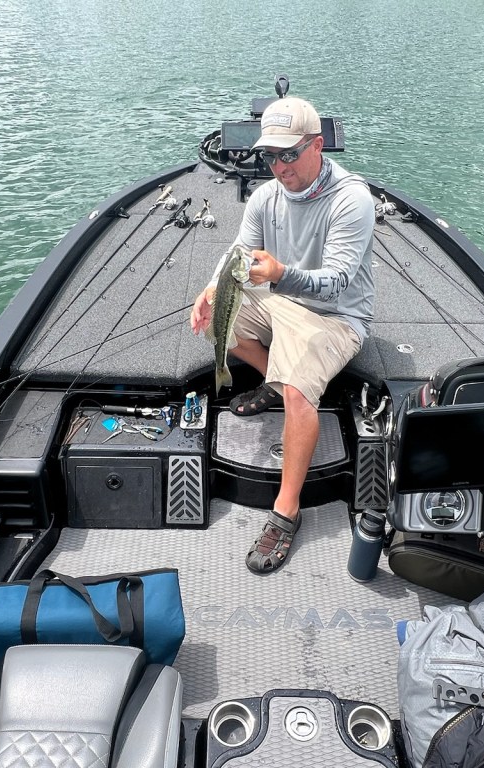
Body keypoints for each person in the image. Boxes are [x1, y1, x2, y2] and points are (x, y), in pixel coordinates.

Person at [190, 96, 376, 574]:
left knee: (297, 393)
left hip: (334, 317)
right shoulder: (265, 197)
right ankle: (274, 377)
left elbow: (336, 282)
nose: (279, 166)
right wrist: (211, 289)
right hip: (280, 298)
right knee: (217, 323)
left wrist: (278, 274)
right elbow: (238, 251)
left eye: (289, 153)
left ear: (317, 145)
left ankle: (287, 510)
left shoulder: (351, 200)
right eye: (270, 155)